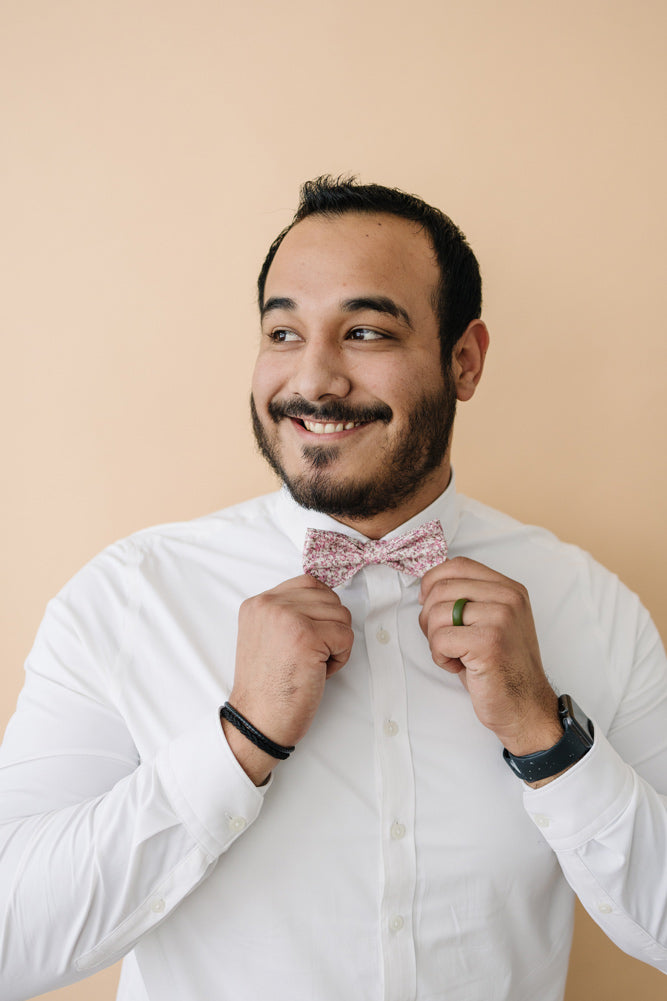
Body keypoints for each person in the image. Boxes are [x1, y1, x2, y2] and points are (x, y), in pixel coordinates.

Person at [1, 176, 666, 1001]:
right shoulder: (128, 598)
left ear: (463, 359)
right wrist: (235, 742)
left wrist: (547, 740)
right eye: (282, 331)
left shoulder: (589, 605)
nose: (312, 379)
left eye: (364, 330)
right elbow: (10, 941)